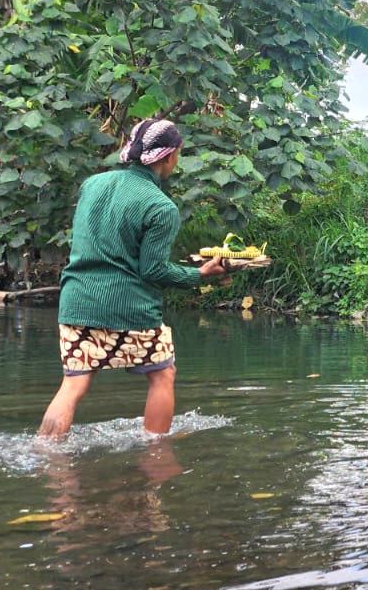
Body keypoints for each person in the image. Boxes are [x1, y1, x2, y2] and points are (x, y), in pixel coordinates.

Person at [37, 118, 227, 439]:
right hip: (129, 309)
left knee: (73, 384)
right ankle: (155, 455)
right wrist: (199, 275)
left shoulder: (92, 185)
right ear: (169, 157)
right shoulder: (160, 207)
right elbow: (152, 270)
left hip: (76, 301)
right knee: (162, 375)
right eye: (177, 155)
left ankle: (45, 454)